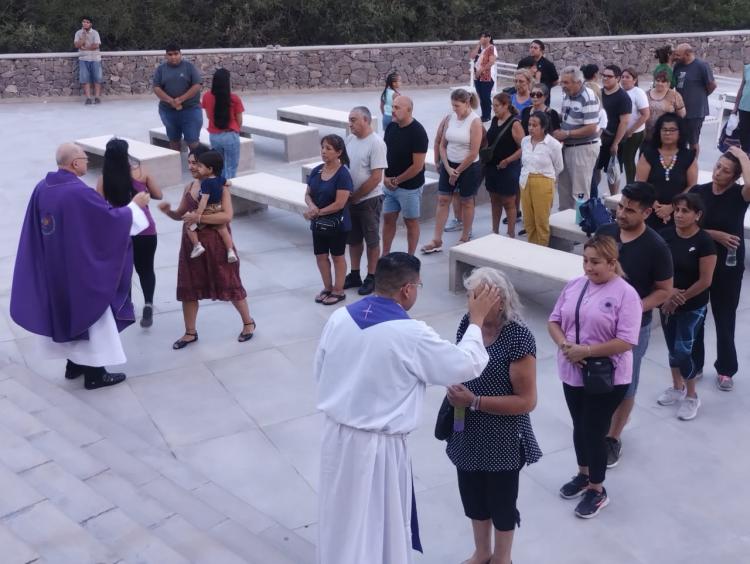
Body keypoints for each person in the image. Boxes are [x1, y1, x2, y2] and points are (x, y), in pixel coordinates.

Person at [315, 252, 498, 564]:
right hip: (376, 449)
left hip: (336, 437)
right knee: (374, 526)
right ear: (408, 290)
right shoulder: (411, 333)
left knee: (341, 520)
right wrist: (477, 320)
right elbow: (464, 365)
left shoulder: (339, 318)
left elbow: (321, 371)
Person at [11, 143, 150, 389]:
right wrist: (135, 207)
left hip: (55, 266)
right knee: (91, 316)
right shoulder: (77, 192)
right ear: (75, 163)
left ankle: (73, 365)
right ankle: (96, 375)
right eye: (85, 159)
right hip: (80, 269)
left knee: (65, 315)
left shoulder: (43, 187)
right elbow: (108, 222)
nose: (87, 163)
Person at [445, 267, 541, 564]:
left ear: (498, 300)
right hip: (466, 429)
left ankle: (502, 558)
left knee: (501, 503)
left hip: (502, 437)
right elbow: (462, 362)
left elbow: (527, 401)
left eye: (478, 297)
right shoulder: (468, 325)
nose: (470, 304)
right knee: (472, 497)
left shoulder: (518, 337)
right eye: (470, 296)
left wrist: (475, 401)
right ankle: (482, 552)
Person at [548, 235, 642, 519]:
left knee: (593, 430)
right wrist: (565, 345)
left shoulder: (626, 295)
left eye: (595, 262)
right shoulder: (575, 285)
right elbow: (553, 320)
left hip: (607, 377)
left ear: (612, 263)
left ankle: (597, 490)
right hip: (573, 371)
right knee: (579, 425)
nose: (588, 267)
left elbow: (627, 341)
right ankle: (583, 474)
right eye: (585, 260)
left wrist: (587, 350)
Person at [596, 182, 673, 468]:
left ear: (647, 212)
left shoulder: (656, 247)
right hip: (599, 322)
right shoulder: (605, 233)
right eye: (620, 206)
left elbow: (665, 290)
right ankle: (598, 426)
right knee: (597, 378)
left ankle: (613, 438)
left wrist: (634, 308)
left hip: (632, 329)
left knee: (625, 384)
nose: (621, 213)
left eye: (630, 209)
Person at [158, 144, 256, 348]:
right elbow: (181, 214)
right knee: (189, 286)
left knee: (229, 281)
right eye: (190, 163)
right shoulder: (190, 187)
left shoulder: (221, 187)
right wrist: (169, 212)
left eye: (196, 163)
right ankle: (190, 332)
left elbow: (227, 216)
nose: (192, 167)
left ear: (209, 166)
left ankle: (248, 323)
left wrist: (199, 216)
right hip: (192, 245)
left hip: (216, 244)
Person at [689, 148, 750, 391]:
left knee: (725, 316)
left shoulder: (739, 195)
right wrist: (714, 234)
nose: (718, 173)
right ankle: (695, 364)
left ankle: (726, 369)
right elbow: (684, 227)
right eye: (717, 166)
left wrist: (744, 157)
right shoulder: (699, 192)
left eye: (726, 171)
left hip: (728, 266)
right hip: (699, 262)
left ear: (736, 176)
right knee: (696, 316)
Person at [657, 193, 717, 421]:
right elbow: (657, 270)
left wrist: (678, 298)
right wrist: (667, 294)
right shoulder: (665, 236)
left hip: (693, 306)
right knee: (672, 348)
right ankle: (677, 387)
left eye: (685, 211)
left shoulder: (704, 242)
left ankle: (692, 396)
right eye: (677, 210)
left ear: (697, 215)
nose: (679, 215)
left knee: (684, 351)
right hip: (666, 302)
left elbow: (705, 280)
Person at [96, 138, 163, 328]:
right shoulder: (141, 173)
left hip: (119, 230)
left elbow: (100, 206)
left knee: (124, 271)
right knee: (146, 269)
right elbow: (158, 195)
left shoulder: (104, 178)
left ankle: (127, 307)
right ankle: (148, 303)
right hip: (145, 230)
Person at [421, 89, 482, 253]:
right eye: (452, 105)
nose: (454, 109)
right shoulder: (450, 118)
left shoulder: (475, 121)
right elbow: (442, 144)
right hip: (450, 164)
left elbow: (474, 152)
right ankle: (436, 239)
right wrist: (448, 167)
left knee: (467, 200)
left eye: (457, 105)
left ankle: (465, 235)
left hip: (468, 166)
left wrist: (458, 171)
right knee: (442, 199)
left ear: (467, 103)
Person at [342, 106, 388, 296]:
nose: (350, 123)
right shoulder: (350, 139)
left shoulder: (376, 143)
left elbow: (377, 176)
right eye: (349, 120)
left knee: (371, 240)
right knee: (353, 240)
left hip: (369, 200)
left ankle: (371, 276)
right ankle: (354, 274)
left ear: (366, 121)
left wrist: (357, 196)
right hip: (351, 200)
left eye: (353, 120)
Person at [305, 135, 354, 306]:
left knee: (337, 256)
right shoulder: (317, 170)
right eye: (323, 147)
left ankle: (338, 290)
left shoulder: (343, 174)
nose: (324, 152)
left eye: (328, 149)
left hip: (337, 224)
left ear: (339, 152)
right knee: (321, 256)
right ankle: (327, 287)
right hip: (318, 223)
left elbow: (340, 203)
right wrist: (311, 206)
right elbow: (308, 194)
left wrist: (318, 212)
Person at [635, 113, 697, 231]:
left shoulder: (688, 156)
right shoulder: (648, 154)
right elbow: (641, 183)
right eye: (664, 129)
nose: (667, 133)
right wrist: (655, 205)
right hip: (649, 209)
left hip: (679, 212)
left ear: (680, 132)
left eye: (672, 130)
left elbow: (692, 186)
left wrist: (672, 207)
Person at [382, 96, 429, 255]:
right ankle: (385, 255)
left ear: (409, 110)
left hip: (409, 188)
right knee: (388, 219)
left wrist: (396, 180)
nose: (393, 111)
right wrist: (385, 177)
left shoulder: (418, 132)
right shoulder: (391, 127)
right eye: (393, 107)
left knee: (410, 222)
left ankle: (411, 257)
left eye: (397, 108)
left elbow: (417, 166)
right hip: (389, 185)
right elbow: (384, 154)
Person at [552, 66, 601, 210]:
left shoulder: (588, 97)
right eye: (562, 82)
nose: (562, 86)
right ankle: (564, 224)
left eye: (566, 83)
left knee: (580, 192)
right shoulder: (568, 95)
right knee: (564, 189)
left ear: (578, 82)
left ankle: (581, 225)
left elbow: (591, 127)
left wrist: (567, 134)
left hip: (583, 149)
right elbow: (570, 118)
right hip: (568, 147)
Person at [483, 93, 524, 238]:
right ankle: (494, 231)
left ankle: (510, 233)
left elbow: (523, 147)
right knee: (494, 200)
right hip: (492, 166)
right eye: (493, 106)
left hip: (508, 168)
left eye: (497, 106)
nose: (494, 109)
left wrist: (508, 160)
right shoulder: (494, 120)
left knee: (508, 201)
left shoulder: (515, 124)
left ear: (506, 106)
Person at [520, 111, 564, 246]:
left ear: (543, 127)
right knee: (528, 220)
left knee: (541, 221)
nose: (531, 128)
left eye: (535, 125)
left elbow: (559, 166)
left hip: (543, 181)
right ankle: (532, 247)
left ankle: (542, 250)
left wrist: (546, 179)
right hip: (525, 181)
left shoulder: (553, 144)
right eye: (529, 125)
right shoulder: (525, 141)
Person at [186, 151, 237, 263]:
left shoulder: (205, 183)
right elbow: (229, 182)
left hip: (208, 209)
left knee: (190, 227)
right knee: (223, 230)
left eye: (200, 166)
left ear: (210, 169)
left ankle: (197, 246)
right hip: (218, 207)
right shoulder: (220, 179)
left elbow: (204, 200)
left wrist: (198, 215)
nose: (197, 168)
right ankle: (230, 251)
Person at [153, 44, 203, 152]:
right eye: (170, 54)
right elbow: (156, 87)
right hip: (168, 111)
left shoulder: (189, 67)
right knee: (174, 140)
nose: (173, 57)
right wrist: (170, 101)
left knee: (193, 141)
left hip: (190, 110)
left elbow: (197, 85)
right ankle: (177, 165)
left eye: (176, 54)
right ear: (166, 56)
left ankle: (197, 165)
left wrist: (181, 99)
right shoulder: (161, 69)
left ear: (181, 54)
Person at [593, 65, 632, 197]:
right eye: (603, 75)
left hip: (614, 140)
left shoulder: (623, 97)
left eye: (609, 76)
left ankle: (614, 201)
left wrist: (616, 143)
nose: (605, 78)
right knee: (594, 169)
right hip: (598, 139)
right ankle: (593, 196)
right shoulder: (599, 92)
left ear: (618, 78)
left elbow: (624, 122)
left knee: (612, 173)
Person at [201, 68, 244, 179]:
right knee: (231, 166)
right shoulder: (234, 98)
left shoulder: (206, 96)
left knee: (219, 166)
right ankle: (229, 191)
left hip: (214, 136)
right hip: (230, 135)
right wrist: (236, 131)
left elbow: (208, 116)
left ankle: (219, 188)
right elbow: (239, 120)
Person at [673, 43, 717, 153]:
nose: (676, 57)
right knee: (678, 140)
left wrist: (701, 96)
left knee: (693, 142)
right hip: (679, 110)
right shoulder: (678, 66)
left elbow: (712, 85)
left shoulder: (702, 65)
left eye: (678, 55)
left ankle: (693, 165)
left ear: (687, 54)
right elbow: (671, 84)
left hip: (695, 112)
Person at [619, 68, 650, 184]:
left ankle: (630, 185)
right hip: (621, 132)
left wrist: (631, 130)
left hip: (635, 133)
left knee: (628, 159)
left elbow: (645, 114)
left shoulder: (638, 93)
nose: (624, 79)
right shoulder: (620, 92)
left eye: (628, 77)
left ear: (634, 80)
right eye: (622, 77)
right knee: (621, 159)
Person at [644, 71, 686, 144]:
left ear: (668, 83)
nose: (660, 83)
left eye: (663, 81)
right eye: (658, 80)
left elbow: (681, 114)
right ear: (654, 81)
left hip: (666, 135)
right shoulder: (646, 94)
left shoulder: (674, 95)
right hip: (648, 135)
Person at [73, 16, 102, 105]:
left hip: (95, 59)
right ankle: (88, 98)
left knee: (97, 78)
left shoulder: (95, 33)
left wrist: (85, 48)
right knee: (85, 79)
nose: (85, 23)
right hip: (83, 59)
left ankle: (97, 97)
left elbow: (96, 45)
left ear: (91, 24)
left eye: (87, 22)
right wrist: (84, 37)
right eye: (83, 22)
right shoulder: (78, 33)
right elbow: (77, 45)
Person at [470, 32, 497, 123]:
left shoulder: (491, 48)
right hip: (477, 77)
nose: (482, 38)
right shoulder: (480, 48)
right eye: (481, 36)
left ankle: (487, 115)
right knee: (481, 96)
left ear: (489, 38)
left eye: (484, 37)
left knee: (485, 96)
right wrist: (478, 44)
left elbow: (491, 62)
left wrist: (480, 71)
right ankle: (484, 115)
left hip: (487, 77)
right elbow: (472, 56)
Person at [528, 39, 559, 105]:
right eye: (531, 47)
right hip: (528, 98)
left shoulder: (548, 65)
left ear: (541, 51)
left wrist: (545, 88)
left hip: (543, 100)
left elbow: (555, 81)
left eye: (535, 48)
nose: (532, 49)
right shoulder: (526, 62)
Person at [732, 61, 750, 152]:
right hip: (744, 108)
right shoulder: (747, 68)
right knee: (743, 136)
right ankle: (745, 159)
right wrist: (736, 106)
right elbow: (742, 87)